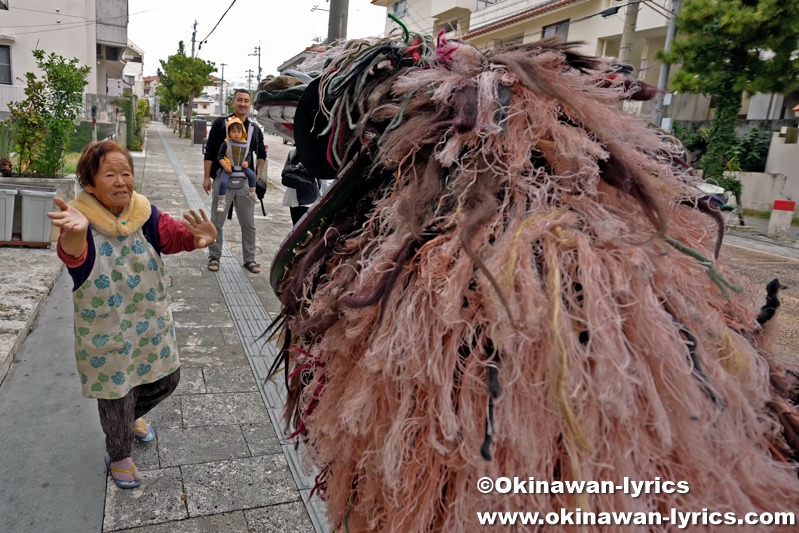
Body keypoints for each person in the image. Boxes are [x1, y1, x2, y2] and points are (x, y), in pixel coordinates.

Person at [47, 141, 216, 489]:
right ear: (90, 184)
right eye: (110, 174)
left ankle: (126, 420)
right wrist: (76, 234)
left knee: (167, 380)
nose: (121, 180)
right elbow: (73, 255)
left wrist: (198, 239)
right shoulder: (80, 222)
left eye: (126, 172)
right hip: (106, 332)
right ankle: (119, 452)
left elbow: (173, 237)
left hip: (148, 326)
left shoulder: (143, 213)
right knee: (115, 394)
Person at [203, 89, 266, 274]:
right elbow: (210, 152)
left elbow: (261, 154)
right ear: (233, 102)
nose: (243, 104)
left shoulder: (254, 129)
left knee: (248, 223)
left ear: (250, 104)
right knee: (217, 221)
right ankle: (214, 257)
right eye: (239, 100)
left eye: (246, 101)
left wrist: (257, 174)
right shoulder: (220, 124)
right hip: (222, 178)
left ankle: (250, 259)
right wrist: (207, 177)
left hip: (245, 182)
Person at [216, 116, 259, 213]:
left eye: (239, 132)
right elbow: (220, 157)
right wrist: (226, 167)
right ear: (229, 132)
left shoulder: (244, 144)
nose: (236, 134)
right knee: (223, 182)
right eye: (233, 131)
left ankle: (251, 193)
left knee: (252, 175)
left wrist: (246, 162)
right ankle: (221, 201)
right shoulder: (225, 144)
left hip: (242, 167)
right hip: (229, 167)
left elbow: (248, 155)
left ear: (242, 132)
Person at [281, 148, 320, 225]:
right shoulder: (293, 152)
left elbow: (315, 171)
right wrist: (297, 167)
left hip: (309, 199)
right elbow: (285, 171)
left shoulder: (314, 152)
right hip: (293, 196)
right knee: (295, 226)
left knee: (306, 228)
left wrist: (298, 167)